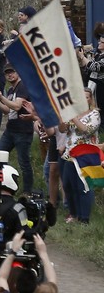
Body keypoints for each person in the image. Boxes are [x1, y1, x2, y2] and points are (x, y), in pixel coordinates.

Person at [0, 63, 35, 195]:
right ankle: (4, 184)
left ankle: (27, 191)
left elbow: (16, 106)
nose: (9, 74)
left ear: (18, 72)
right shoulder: (10, 90)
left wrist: (1, 98)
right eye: (7, 73)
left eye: (12, 72)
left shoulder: (22, 87)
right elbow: (7, 111)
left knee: (24, 162)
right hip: (11, 130)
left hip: (23, 130)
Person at [59, 87, 99, 224]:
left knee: (82, 186)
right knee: (68, 185)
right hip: (69, 154)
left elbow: (86, 130)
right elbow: (62, 130)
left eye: (86, 97)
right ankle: (74, 213)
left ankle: (84, 218)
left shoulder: (94, 114)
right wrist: (62, 120)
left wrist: (73, 117)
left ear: (90, 99)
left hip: (85, 155)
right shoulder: (73, 113)